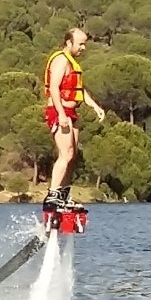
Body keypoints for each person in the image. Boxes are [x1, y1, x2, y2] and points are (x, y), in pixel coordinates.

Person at [42, 28, 106, 210]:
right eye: (80, 44)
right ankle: (52, 195)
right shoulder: (61, 60)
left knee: (73, 156)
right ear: (69, 43)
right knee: (66, 153)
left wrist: (95, 106)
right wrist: (61, 113)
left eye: (85, 44)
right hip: (59, 110)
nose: (83, 48)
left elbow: (79, 89)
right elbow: (54, 88)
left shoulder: (73, 63)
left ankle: (63, 194)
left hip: (72, 112)